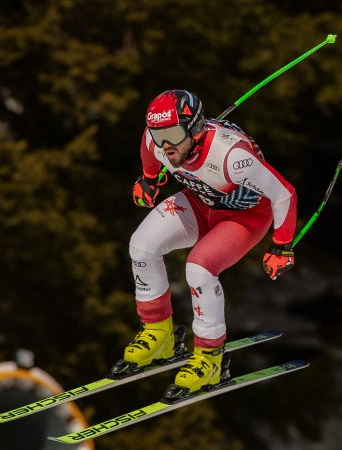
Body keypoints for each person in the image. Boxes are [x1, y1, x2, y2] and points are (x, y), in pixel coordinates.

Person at [119, 89, 297, 396]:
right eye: (157, 133)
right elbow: (149, 149)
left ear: (194, 128)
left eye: (172, 134)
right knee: (142, 246)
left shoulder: (232, 156)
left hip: (244, 216)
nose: (165, 145)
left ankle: (210, 359)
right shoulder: (158, 141)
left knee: (199, 268)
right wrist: (149, 178)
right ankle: (159, 334)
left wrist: (281, 245)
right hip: (200, 203)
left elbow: (284, 194)